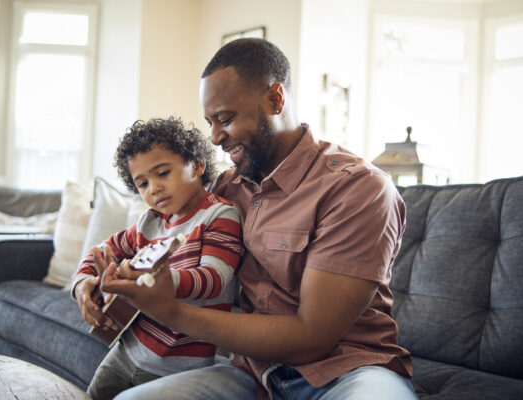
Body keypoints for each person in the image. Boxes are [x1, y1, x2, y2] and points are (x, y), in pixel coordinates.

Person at [99, 39, 417, 400]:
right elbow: (153, 233)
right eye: (210, 122)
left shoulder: (358, 189)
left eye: (226, 119)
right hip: (251, 374)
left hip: (347, 371)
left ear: (276, 100)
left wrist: (171, 311)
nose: (215, 137)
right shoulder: (226, 189)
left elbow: (312, 337)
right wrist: (91, 281)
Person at [72, 117, 244, 400]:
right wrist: (82, 285)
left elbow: (214, 279)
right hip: (126, 352)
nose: (153, 188)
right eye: (142, 183)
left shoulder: (220, 215)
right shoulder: (149, 222)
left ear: (198, 165)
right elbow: (100, 251)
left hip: (182, 367)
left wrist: (161, 280)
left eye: (163, 173)